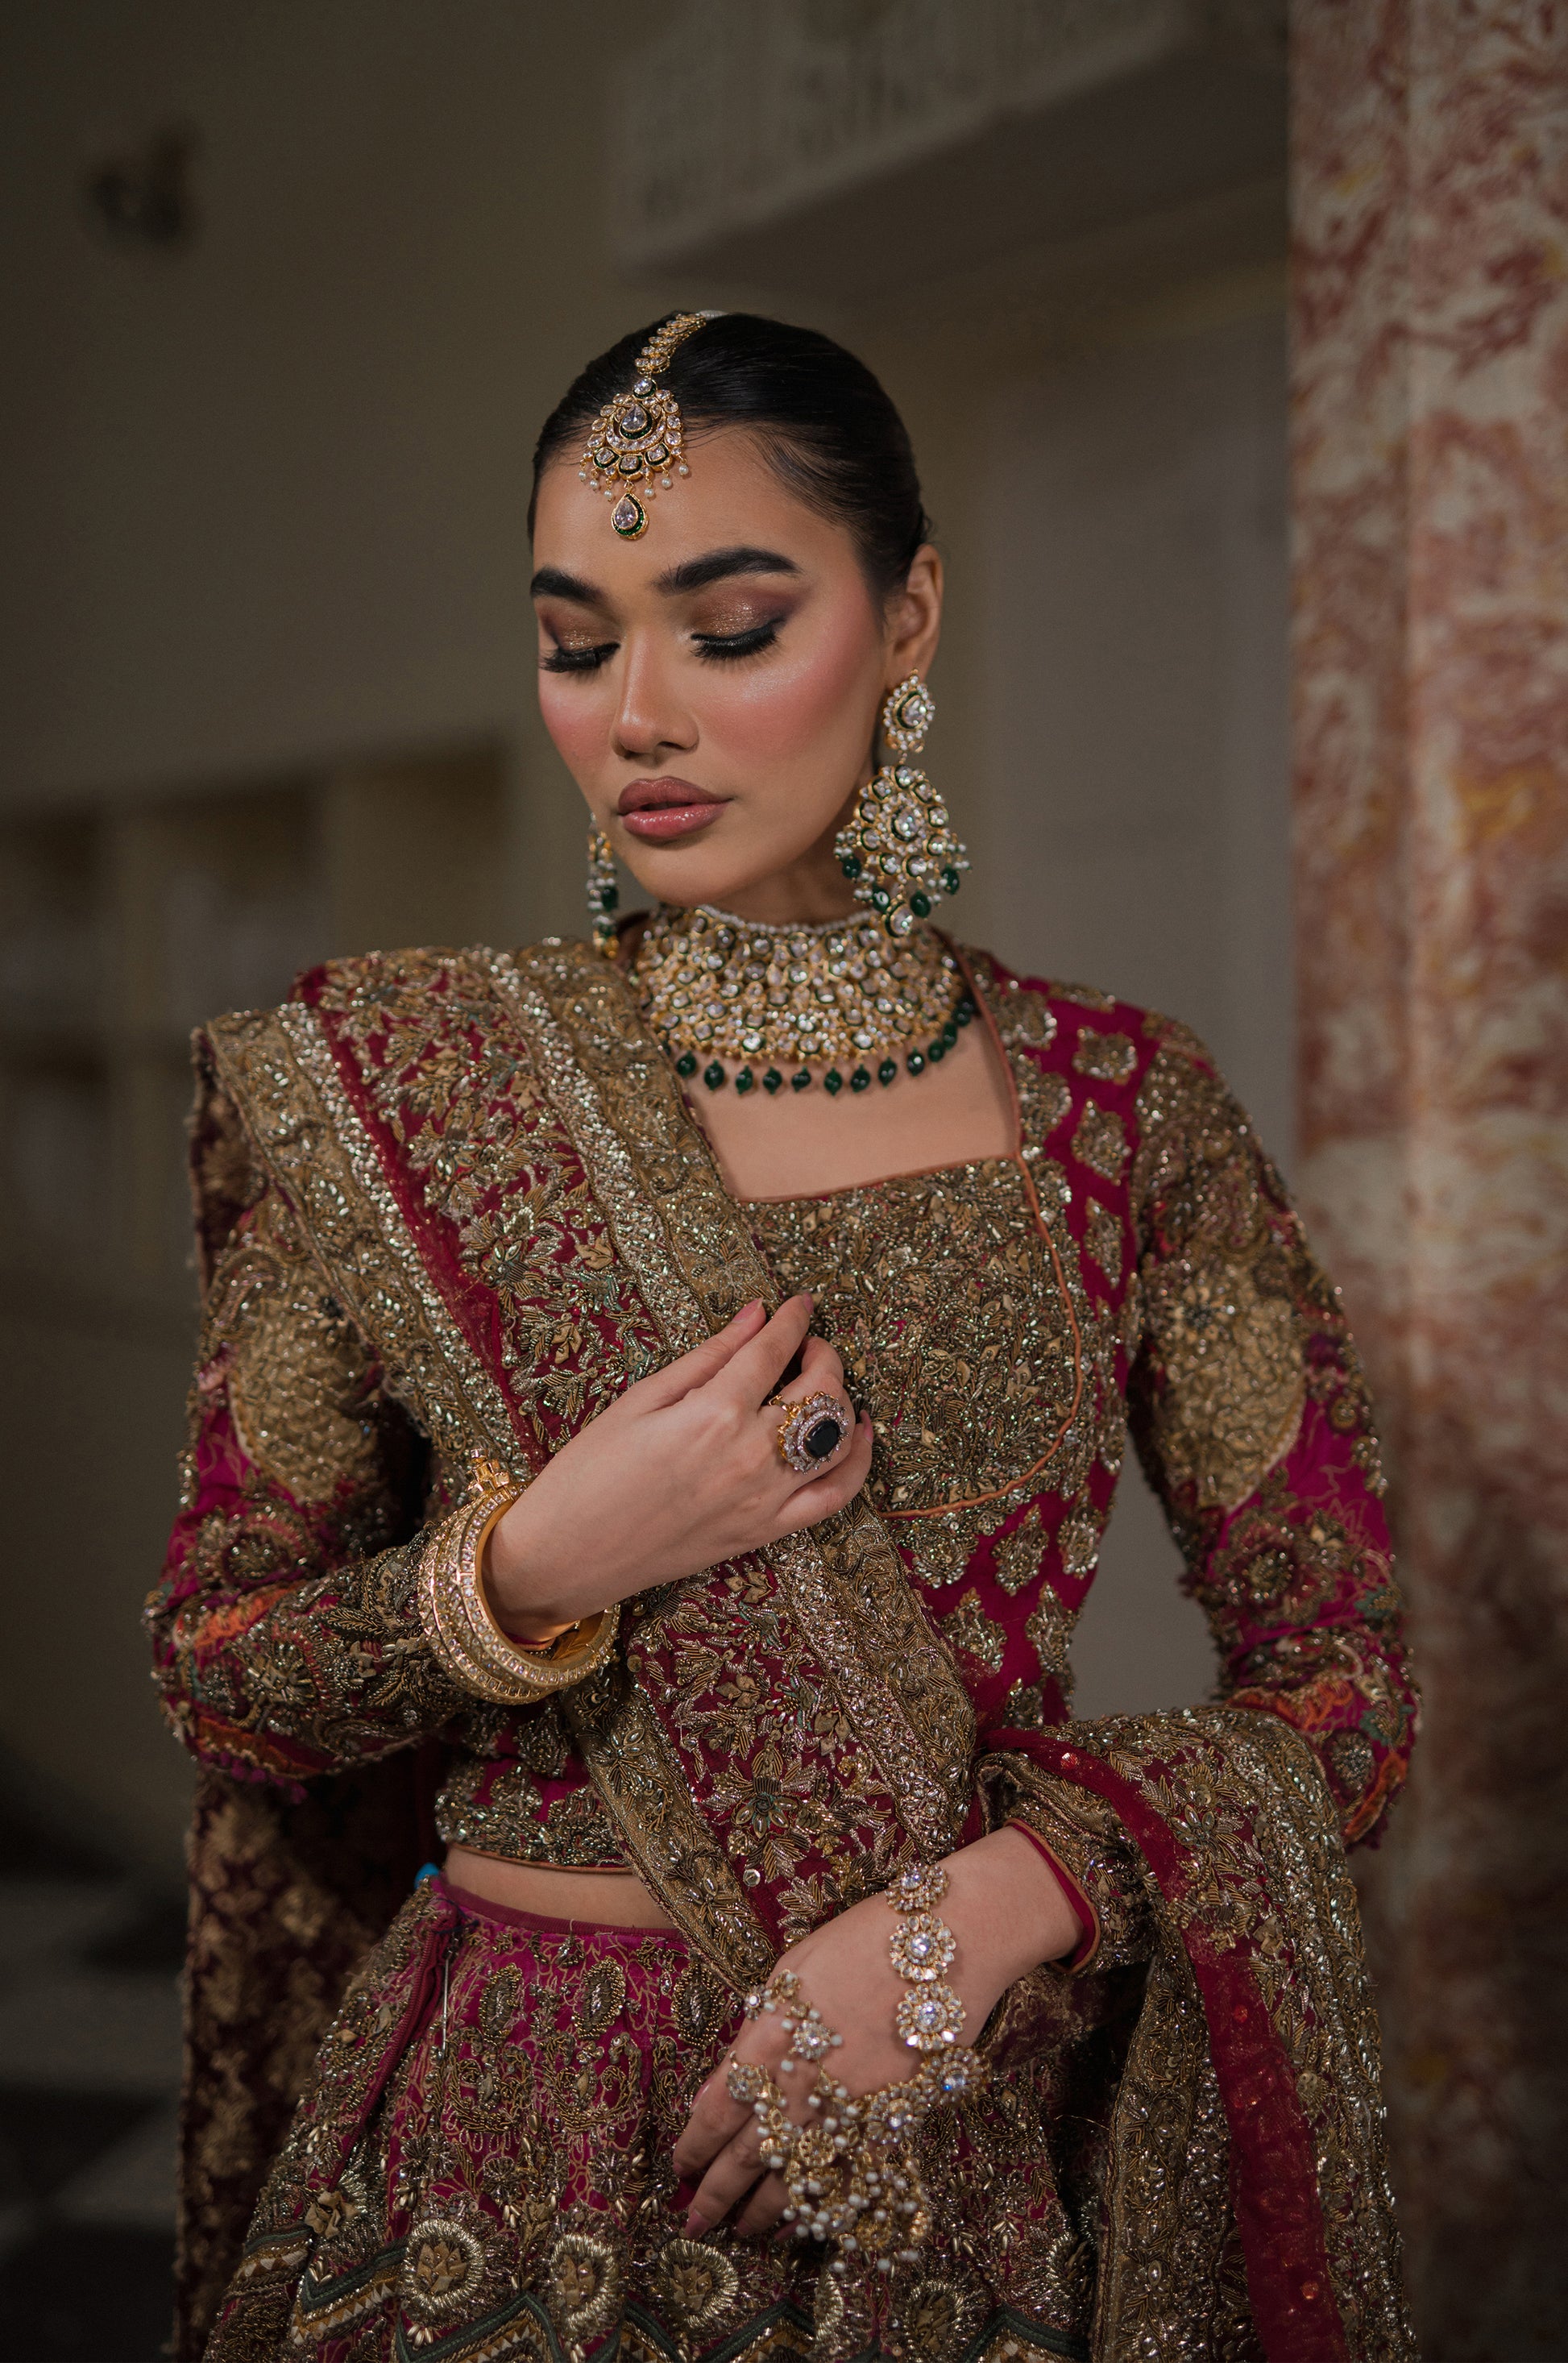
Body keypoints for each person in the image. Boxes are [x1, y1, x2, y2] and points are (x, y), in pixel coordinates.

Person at [150, 312, 1418, 2363]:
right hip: (501, 2146)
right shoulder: (404, 1092)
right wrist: (538, 1564)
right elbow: (228, 1677)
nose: (636, 712)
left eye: (728, 627)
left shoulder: (1120, 1109)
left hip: (956, 2118)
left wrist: (978, 1918)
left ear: (905, 617)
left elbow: (1341, 1676)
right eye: (577, 642)